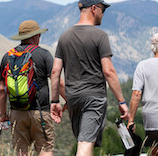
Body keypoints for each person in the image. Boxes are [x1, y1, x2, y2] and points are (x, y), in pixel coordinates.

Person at [50, 0, 129, 155]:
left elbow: (55, 71)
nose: (103, 13)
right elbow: (109, 72)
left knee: (84, 140)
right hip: (93, 98)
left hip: (73, 99)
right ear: (94, 8)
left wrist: (54, 101)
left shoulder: (64, 36)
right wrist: (121, 101)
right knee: (85, 143)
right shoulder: (100, 36)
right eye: (102, 9)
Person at [0, 20, 65, 156]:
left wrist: (4, 115)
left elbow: (1, 90)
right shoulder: (44, 54)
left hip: (17, 112)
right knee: (45, 149)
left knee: (21, 151)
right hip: (41, 112)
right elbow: (58, 81)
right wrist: (68, 100)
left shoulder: (8, 56)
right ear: (35, 37)